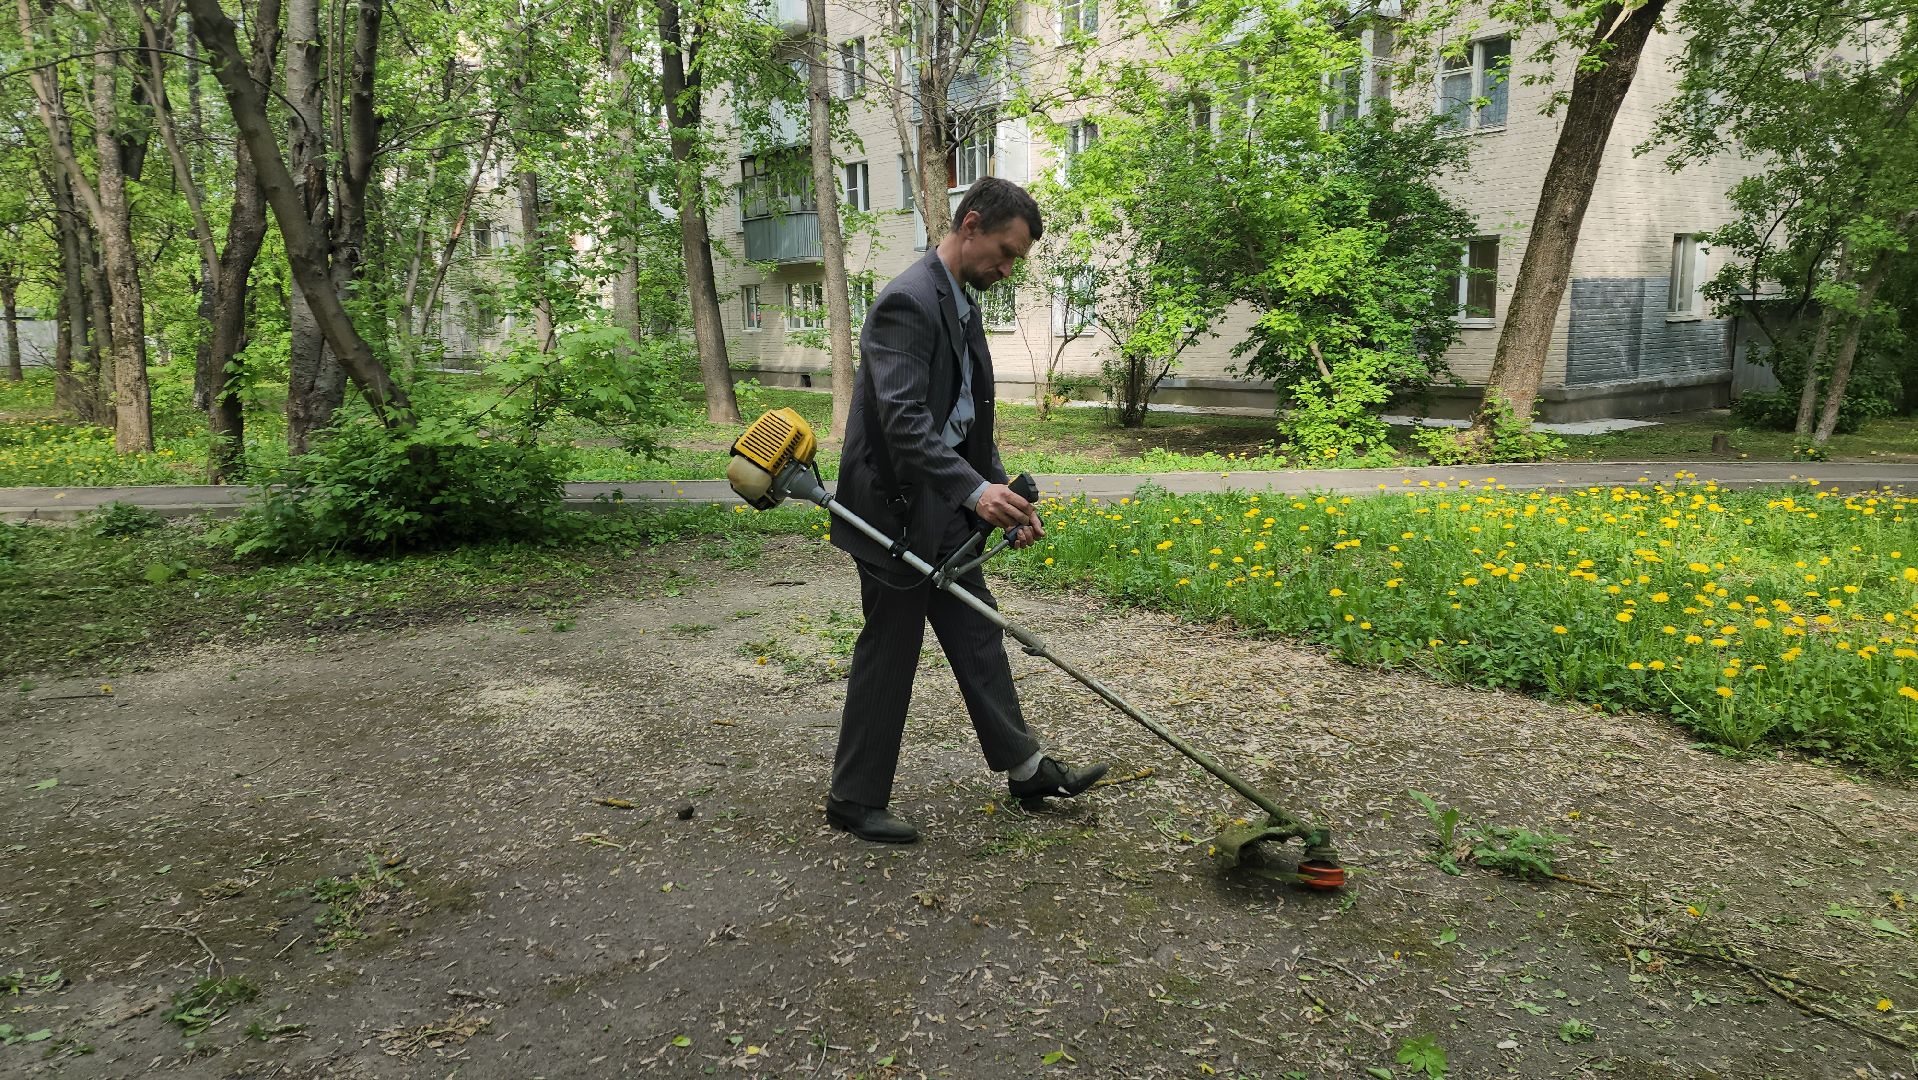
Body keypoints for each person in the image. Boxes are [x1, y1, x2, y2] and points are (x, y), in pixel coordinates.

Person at [825, 177, 1108, 844]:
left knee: (978, 633)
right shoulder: (907, 301)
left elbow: (968, 425)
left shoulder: (962, 304)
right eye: (1005, 252)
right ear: (971, 224)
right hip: (893, 515)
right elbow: (903, 423)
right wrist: (974, 491)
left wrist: (1002, 496)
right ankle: (853, 799)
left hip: (944, 508)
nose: (1007, 269)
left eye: (1016, 259)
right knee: (890, 648)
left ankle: (1025, 766)